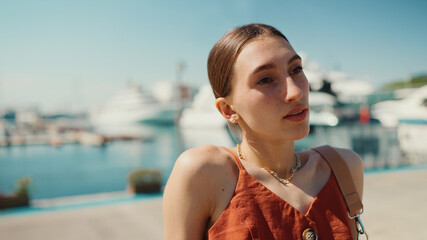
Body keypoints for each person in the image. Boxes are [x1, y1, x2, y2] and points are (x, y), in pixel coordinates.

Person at [163, 23, 364, 240]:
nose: (295, 92)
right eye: (265, 80)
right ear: (228, 109)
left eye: (296, 69)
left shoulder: (343, 168)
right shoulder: (203, 174)